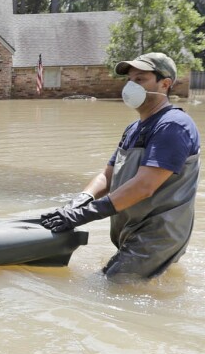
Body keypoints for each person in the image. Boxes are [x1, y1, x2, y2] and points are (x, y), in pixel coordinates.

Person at [40, 52, 200, 279]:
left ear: (165, 84)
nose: (130, 86)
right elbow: (108, 176)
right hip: (133, 229)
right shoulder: (134, 128)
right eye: (129, 80)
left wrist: (86, 214)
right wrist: (80, 201)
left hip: (156, 235)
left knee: (106, 289)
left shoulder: (173, 126)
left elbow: (145, 186)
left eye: (140, 79)